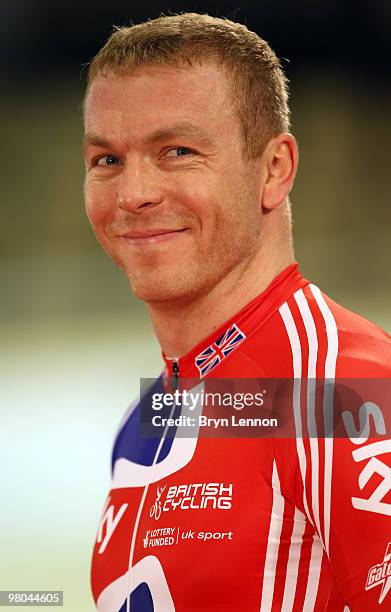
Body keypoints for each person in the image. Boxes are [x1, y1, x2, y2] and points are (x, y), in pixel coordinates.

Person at [83, 13, 391, 611]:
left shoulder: (341, 392)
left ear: (274, 169)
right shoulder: (147, 418)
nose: (133, 193)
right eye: (107, 160)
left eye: (178, 151)